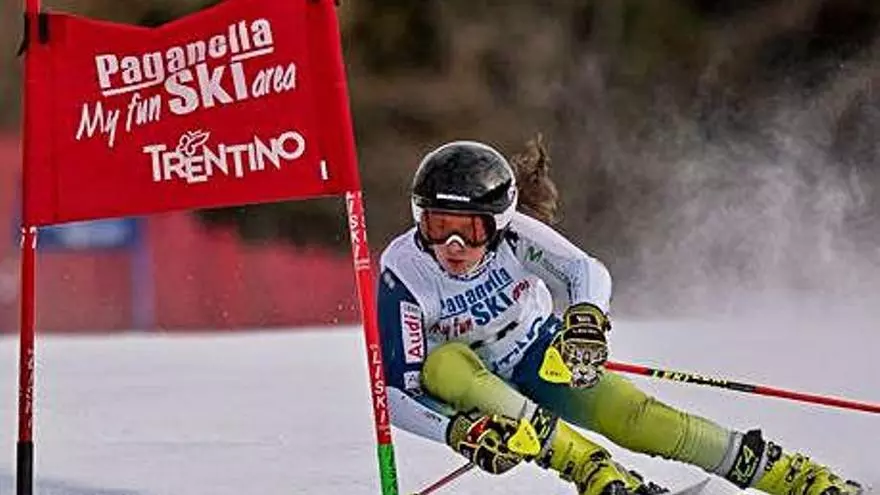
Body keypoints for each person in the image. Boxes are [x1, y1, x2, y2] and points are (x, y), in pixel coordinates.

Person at [376, 137, 862, 495]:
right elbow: (397, 392)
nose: (453, 246)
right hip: (473, 391)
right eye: (438, 226)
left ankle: (794, 477)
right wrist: (456, 432)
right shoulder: (405, 271)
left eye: (470, 231)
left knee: (638, 419)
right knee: (445, 364)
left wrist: (585, 320)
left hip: (540, 357)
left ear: (498, 224)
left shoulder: (517, 236)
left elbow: (584, 270)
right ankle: (596, 473)